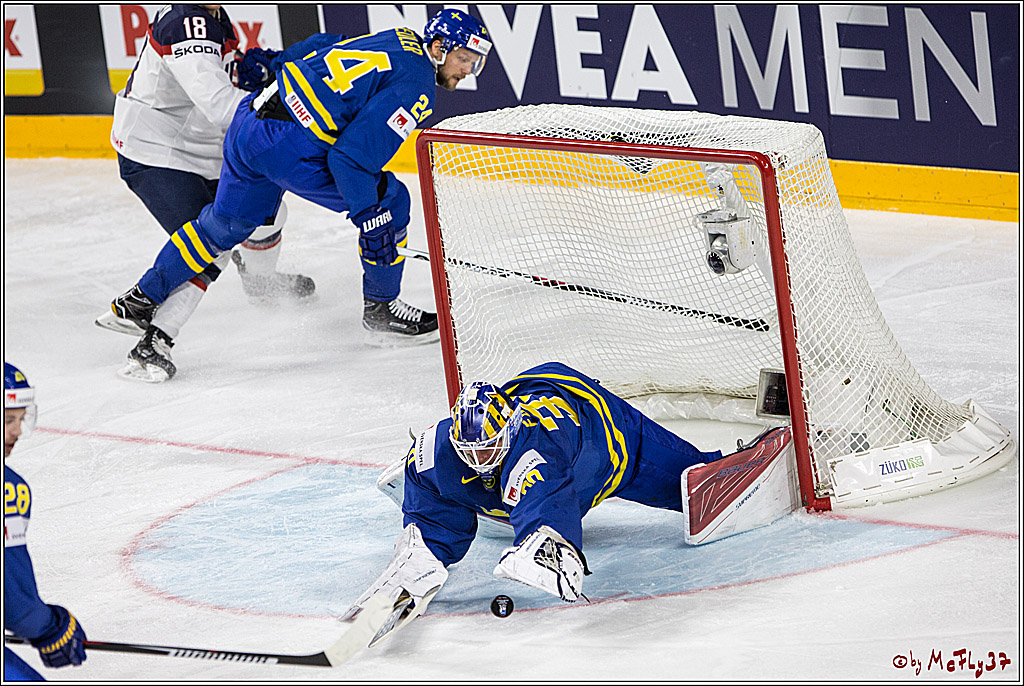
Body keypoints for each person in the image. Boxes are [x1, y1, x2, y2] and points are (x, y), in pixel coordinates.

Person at [103, 8, 493, 365]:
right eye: (464, 60)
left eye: (475, 63)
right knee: (391, 201)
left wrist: (277, 64)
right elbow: (350, 159)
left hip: (247, 123)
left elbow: (323, 46)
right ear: (440, 48)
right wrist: (370, 216)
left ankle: (141, 299)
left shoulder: (403, 36)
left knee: (222, 227)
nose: (468, 71)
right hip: (285, 147)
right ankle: (382, 310)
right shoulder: (418, 86)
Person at [342, 361, 795, 637]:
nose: (479, 458)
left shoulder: (535, 443)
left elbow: (547, 495)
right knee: (435, 480)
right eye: (470, 450)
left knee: (694, 485)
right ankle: (500, 509)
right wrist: (416, 555)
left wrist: (548, 544)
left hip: (608, 442)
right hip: (534, 446)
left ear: (509, 430)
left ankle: (758, 449)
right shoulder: (437, 448)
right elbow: (428, 493)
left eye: (488, 448)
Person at [96, 4, 318, 383]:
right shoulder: (189, 21)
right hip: (159, 154)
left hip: (200, 149)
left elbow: (223, 78)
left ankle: (262, 283)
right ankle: (153, 340)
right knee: (213, 242)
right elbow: (220, 105)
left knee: (267, 213)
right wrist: (288, 116)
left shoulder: (211, 15)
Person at [4, 363, 88, 680]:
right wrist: (51, 627)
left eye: (20, 419)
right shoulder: (8, 489)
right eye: (7, 419)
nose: (16, 431)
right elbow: (15, 605)